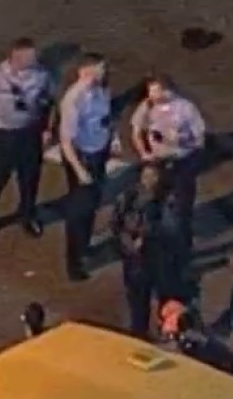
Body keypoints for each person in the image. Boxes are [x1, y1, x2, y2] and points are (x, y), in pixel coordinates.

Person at [0, 37, 52, 242]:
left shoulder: (42, 75)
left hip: (30, 134)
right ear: (16, 57)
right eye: (30, 57)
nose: (35, 59)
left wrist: (47, 129)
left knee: (29, 179)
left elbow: (48, 102)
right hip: (4, 136)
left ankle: (26, 216)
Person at [130, 74, 207, 246]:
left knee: (182, 204)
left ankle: (183, 241)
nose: (152, 96)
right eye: (150, 92)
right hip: (158, 162)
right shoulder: (147, 106)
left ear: (168, 91)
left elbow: (199, 138)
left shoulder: (186, 108)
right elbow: (136, 130)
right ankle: (151, 237)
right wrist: (144, 153)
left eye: (155, 92)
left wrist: (180, 140)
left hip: (182, 160)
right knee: (152, 200)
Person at [57, 52, 113, 279]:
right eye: (99, 69)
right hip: (84, 157)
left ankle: (84, 245)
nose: (103, 72)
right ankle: (74, 262)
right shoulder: (73, 100)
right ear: (86, 71)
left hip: (99, 151)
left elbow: (105, 118)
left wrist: (112, 140)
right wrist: (80, 170)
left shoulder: (100, 89)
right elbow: (66, 142)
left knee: (91, 204)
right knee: (80, 210)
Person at [113, 164, 180, 336]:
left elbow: (172, 227)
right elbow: (115, 225)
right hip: (134, 261)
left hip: (159, 257)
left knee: (164, 297)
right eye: (146, 176)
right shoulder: (128, 197)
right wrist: (129, 243)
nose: (149, 180)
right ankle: (139, 333)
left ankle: (165, 330)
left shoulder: (167, 199)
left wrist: (148, 233)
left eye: (154, 176)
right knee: (137, 302)